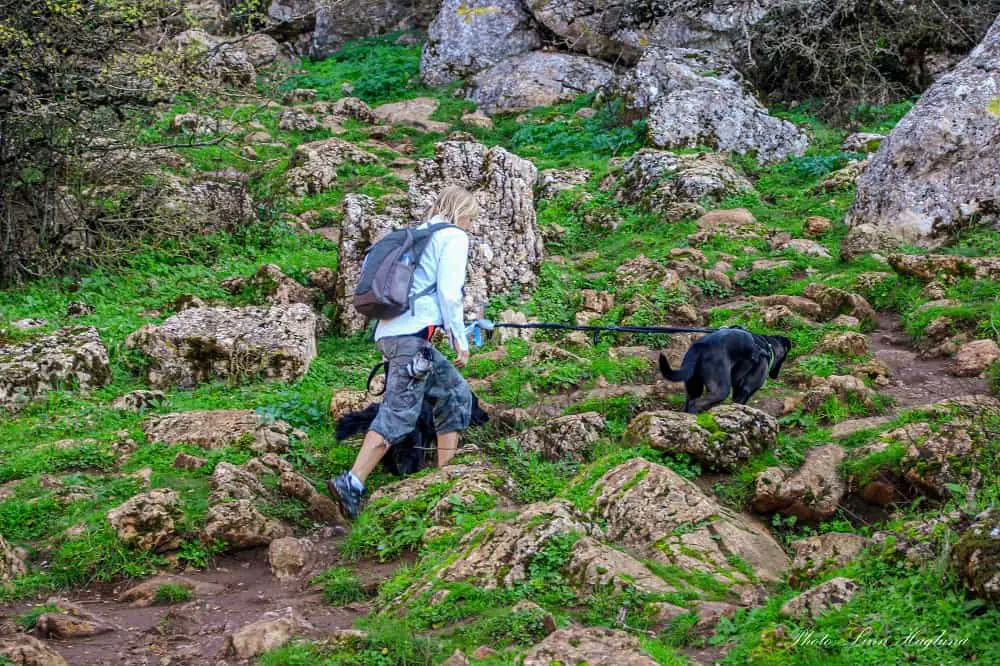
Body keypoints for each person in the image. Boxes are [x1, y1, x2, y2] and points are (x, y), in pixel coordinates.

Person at [328, 186, 478, 519]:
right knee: (399, 413)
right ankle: (351, 482)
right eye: (472, 216)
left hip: (391, 333)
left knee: (454, 393)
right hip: (411, 339)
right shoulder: (453, 236)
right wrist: (460, 341)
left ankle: (447, 478)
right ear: (462, 211)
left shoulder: (418, 234)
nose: (472, 224)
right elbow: (449, 295)